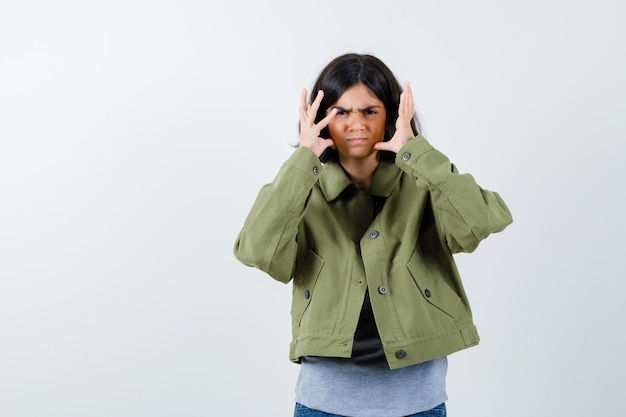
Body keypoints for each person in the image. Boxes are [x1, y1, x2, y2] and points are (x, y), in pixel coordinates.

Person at [233, 53, 512, 417]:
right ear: (321, 119)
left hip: (418, 402)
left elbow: (481, 221)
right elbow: (257, 250)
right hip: (324, 404)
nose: (355, 124)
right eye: (341, 111)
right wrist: (303, 159)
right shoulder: (301, 189)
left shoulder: (422, 181)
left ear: (391, 116)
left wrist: (417, 153)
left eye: (369, 111)